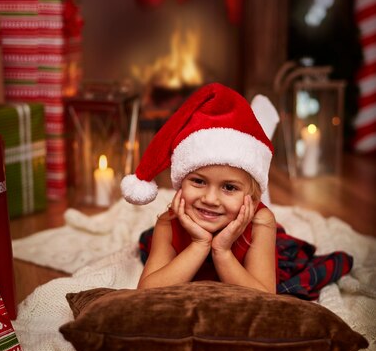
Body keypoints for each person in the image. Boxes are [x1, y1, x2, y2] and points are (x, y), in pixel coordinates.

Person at [121, 82, 353, 299]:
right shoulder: (168, 222)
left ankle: (259, 130)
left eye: (229, 187)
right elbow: (147, 292)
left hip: (246, 255)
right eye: (198, 181)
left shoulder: (261, 223)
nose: (210, 199)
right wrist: (200, 244)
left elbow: (264, 295)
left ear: (252, 197)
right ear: (181, 181)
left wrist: (222, 251)